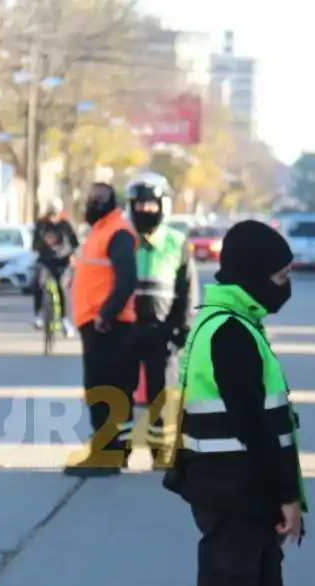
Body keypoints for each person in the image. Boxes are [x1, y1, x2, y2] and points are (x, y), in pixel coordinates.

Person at [161, 219, 315, 586]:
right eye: (280, 275)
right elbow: (254, 429)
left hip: (243, 495)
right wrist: (287, 498)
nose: (285, 285)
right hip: (233, 497)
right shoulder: (229, 332)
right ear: (253, 275)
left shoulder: (238, 324)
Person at [63, 182, 140, 477]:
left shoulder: (117, 232)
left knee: (104, 391)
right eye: (91, 197)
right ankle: (114, 450)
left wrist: (106, 314)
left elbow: (126, 279)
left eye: (99, 198)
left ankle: (107, 454)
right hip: (97, 324)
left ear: (112, 201)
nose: (92, 202)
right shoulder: (100, 231)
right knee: (109, 389)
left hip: (108, 326)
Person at [123, 173, 197, 469]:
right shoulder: (123, 240)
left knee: (162, 395)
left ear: (163, 206)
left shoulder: (176, 242)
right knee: (120, 392)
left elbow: (187, 289)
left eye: (151, 204)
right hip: (126, 329)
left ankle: (162, 452)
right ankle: (119, 451)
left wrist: (182, 327)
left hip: (163, 330)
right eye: (139, 204)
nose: (145, 210)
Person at [30, 199, 80, 336]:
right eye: (50, 213)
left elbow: (75, 243)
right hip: (45, 261)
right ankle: (38, 315)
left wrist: (72, 256)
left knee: (61, 287)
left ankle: (64, 320)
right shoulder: (41, 224)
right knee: (37, 283)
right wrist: (40, 247)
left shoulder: (66, 225)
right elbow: (35, 244)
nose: (53, 217)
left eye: (55, 213)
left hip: (63, 262)